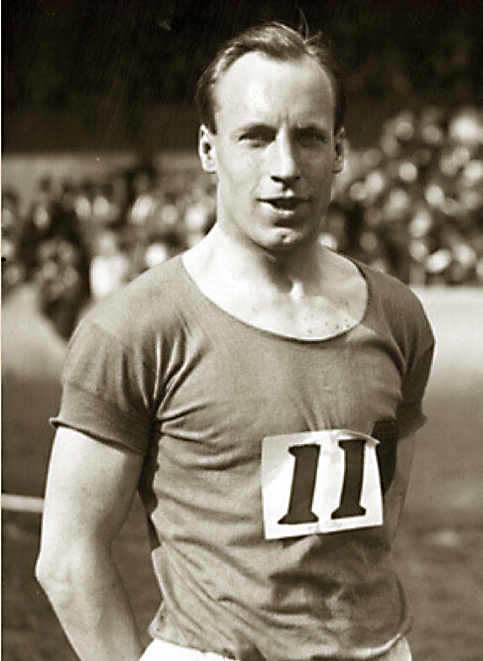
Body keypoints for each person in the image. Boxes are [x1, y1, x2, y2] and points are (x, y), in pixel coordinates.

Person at [36, 22, 434, 661]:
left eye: (307, 138)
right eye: (254, 137)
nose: (284, 168)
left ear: (338, 150)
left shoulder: (397, 314)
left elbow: (379, 522)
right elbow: (67, 556)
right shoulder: (135, 330)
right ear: (208, 149)